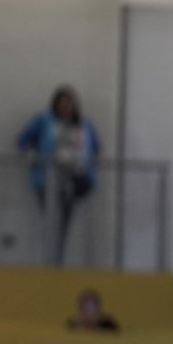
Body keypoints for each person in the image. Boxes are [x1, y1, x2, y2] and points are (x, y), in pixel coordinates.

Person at [16, 85, 101, 265]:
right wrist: (33, 155)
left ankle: (57, 261)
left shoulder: (84, 124)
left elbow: (95, 148)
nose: (66, 107)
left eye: (69, 103)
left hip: (73, 179)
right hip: (48, 179)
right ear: (55, 105)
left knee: (63, 222)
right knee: (51, 220)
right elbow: (23, 140)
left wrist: (85, 166)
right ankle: (50, 260)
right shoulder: (44, 121)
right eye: (62, 103)